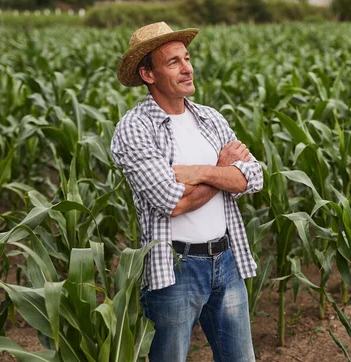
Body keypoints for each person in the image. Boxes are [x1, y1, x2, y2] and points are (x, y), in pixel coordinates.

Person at [111, 22, 263, 362]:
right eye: (173, 62)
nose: (188, 68)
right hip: (175, 269)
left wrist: (200, 172)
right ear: (148, 74)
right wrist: (224, 170)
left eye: (187, 58)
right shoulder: (135, 128)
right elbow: (172, 203)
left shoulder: (211, 119)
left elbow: (252, 178)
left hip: (227, 261)